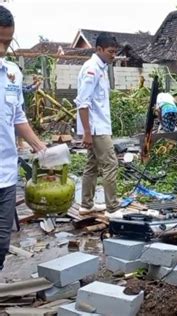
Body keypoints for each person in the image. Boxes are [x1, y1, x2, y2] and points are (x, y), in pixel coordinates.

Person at [0, 6, 47, 271]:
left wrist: (40, 147)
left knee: (1, 243)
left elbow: (17, 117)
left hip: (6, 174)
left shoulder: (12, 74)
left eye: (8, 42)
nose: (3, 49)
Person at [74, 32, 120, 214]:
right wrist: (87, 132)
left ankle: (86, 205)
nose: (113, 55)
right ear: (99, 49)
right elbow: (82, 102)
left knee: (92, 165)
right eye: (110, 51)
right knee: (110, 164)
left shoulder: (100, 68)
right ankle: (113, 208)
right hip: (96, 128)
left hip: (98, 126)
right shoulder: (91, 69)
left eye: (115, 52)